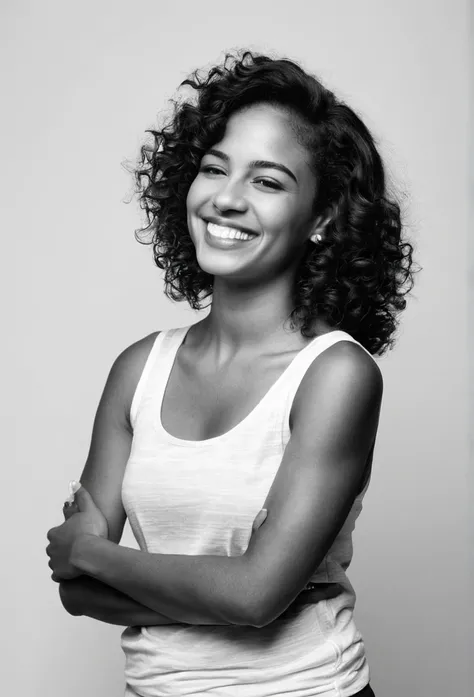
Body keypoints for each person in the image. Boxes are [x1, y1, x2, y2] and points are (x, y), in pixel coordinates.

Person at [46, 49, 418, 696]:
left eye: (268, 182)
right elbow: (79, 593)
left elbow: (255, 594)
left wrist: (99, 555)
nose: (227, 197)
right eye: (215, 167)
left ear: (324, 218)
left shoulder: (335, 377)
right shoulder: (139, 369)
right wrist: (107, 572)